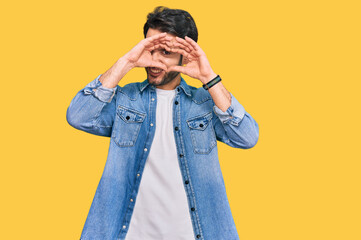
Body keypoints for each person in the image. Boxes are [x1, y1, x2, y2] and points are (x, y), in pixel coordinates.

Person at [66, 6, 259, 240]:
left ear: (184, 56)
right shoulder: (126, 100)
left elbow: (247, 137)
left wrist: (209, 78)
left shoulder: (203, 103)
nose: (154, 60)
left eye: (165, 52)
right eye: (150, 49)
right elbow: (78, 115)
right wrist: (126, 61)